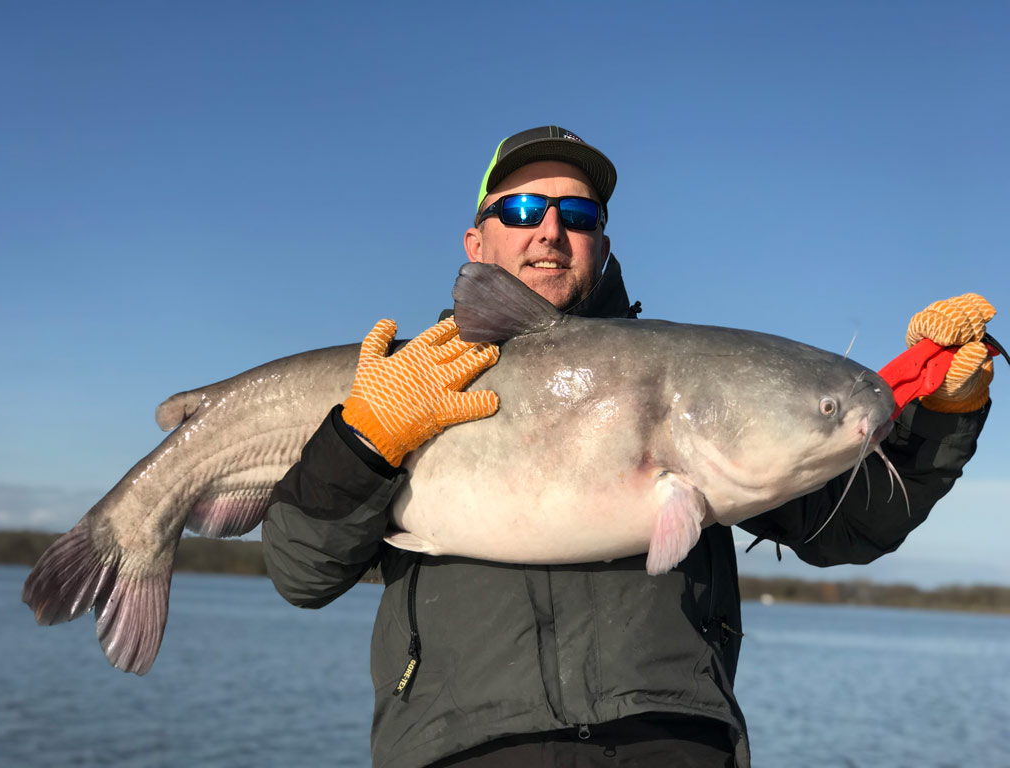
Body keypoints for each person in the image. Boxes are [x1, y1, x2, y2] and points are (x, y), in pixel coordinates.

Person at [262, 126, 993, 768]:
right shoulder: (394, 389)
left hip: (670, 741)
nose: (549, 229)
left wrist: (948, 413)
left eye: (576, 214)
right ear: (476, 243)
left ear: (601, 243)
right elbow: (302, 571)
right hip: (463, 748)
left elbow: (858, 524)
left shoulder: (697, 378)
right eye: (520, 209)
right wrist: (360, 443)